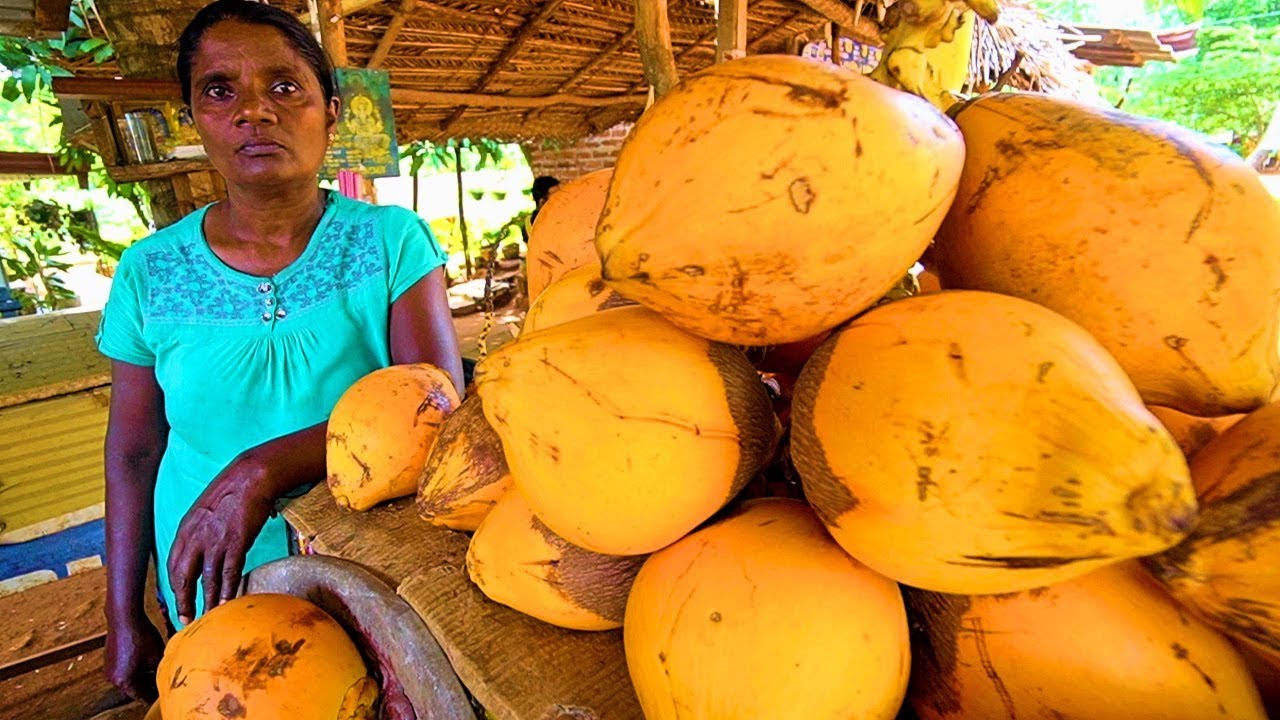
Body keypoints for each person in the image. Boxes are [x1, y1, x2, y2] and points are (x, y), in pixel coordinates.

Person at [96, 0, 462, 701]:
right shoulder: (149, 271)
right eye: (219, 90)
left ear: (331, 111)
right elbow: (134, 451)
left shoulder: (389, 243)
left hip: (368, 559)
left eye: (285, 86)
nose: (253, 110)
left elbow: (435, 402)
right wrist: (120, 611)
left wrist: (262, 469)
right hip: (210, 566)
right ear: (194, 120)